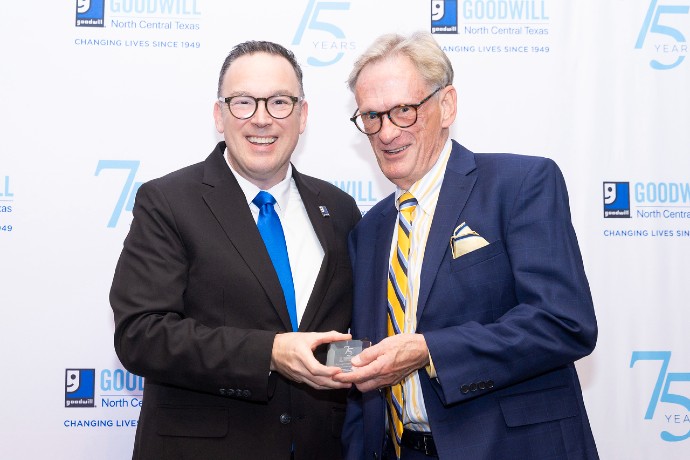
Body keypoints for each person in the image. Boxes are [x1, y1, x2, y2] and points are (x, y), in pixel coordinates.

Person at [334, 31, 599, 459]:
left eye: (403, 110)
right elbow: (364, 363)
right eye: (371, 117)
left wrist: (429, 351)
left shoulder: (520, 185)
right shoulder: (369, 230)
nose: (386, 132)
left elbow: (563, 323)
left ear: (447, 105)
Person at [109, 40, 361, 460]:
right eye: (244, 102)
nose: (262, 119)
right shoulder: (168, 201)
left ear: (302, 115)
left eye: (279, 102)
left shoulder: (339, 208)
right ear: (219, 115)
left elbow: (345, 331)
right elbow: (140, 334)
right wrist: (270, 353)